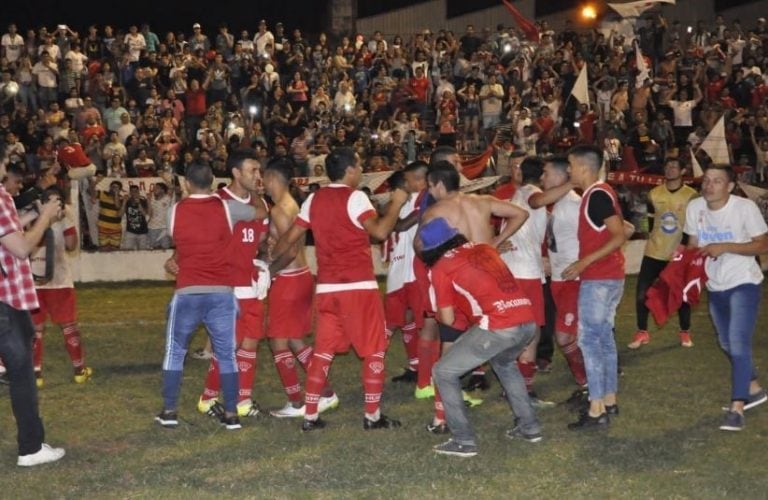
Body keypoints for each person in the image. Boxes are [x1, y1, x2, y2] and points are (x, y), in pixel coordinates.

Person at [269, 147, 409, 431]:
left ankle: (310, 416)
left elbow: (290, 238)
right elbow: (380, 232)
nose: (360, 171)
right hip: (358, 286)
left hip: (327, 288)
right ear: (349, 170)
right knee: (374, 350)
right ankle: (372, 416)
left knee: (323, 351)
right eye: (358, 166)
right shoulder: (355, 197)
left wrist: (267, 266)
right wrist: (396, 203)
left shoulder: (313, 199)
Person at [419, 161, 529, 431]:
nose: (429, 191)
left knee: (448, 352)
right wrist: (493, 244)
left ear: (439, 184)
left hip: (459, 286)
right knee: (503, 357)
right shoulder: (483, 201)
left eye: (430, 186)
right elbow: (521, 214)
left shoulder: (436, 212)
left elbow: (422, 248)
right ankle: (526, 420)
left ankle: (441, 417)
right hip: (490, 282)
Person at [420, 218, 540, 458]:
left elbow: (446, 317)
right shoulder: (483, 247)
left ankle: (463, 441)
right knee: (504, 364)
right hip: (527, 319)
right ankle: (530, 427)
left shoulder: (440, 267)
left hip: (499, 323)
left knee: (443, 371)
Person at [157, 163, 242, 430]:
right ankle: (231, 414)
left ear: (187, 183)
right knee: (227, 354)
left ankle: (169, 410)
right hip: (222, 291)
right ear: (213, 180)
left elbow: (182, 240)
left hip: (188, 290)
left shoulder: (177, 210)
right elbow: (255, 212)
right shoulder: (225, 207)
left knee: (175, 351)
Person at [684, 165, 768, 432]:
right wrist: (685, 258)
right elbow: (693, 245)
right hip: (715, 284)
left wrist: (726, 247)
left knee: (737, 341)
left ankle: (737, 407)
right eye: (706, 180)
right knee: (725, 341)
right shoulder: (695, 207)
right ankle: (753, 387)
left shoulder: (744, 208)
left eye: (717, 181)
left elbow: (762, 245)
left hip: (744, 282)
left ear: (730, 186)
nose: (709, 185)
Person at [194, 149, 270, 419]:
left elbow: (259, 240)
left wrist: (261, 265)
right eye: (253, 170)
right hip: (225, 289)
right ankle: (207, 398)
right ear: (236, 173)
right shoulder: (218, 202)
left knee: (250, 344)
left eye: (259, 170)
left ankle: (243, 402)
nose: (258, 176)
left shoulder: (261, 204)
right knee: (230, 346)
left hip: (249, 286)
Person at [262, 157, 338, 418]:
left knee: (277, 342)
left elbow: (291, 248)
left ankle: (296, 402)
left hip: (290, 278)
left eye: (263, 177)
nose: (262, 182)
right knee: (294, 339)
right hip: (301, 276)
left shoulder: (280, 209)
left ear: (271, 177)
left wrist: (268, 272)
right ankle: (326, 393)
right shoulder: (291, 205)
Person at [0, 175, 65, 466]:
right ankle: (30, 447)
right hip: (5, 300)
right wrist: (47, 216)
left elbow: (7, 230)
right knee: (22, 373)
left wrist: (36, 213)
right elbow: (21, 247)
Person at [562, 144, 627, 430]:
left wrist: (584, 261)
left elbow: (618, 235)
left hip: (599, 278)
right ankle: (609, 400)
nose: (568, 170)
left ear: (584, 168)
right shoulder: (598, 193)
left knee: (590, 341)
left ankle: (596, 407)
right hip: (610, 276)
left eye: (570, 165)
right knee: (604, 341)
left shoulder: (597, 195)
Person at [629, 158, 698, 349]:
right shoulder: (653, 193)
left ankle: (685, 332)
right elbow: (650, 220)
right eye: (667, 166)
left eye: (674, 166)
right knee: (642, 294)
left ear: (683, 170)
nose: (669, 170)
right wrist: (646, 234)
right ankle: (642, 332)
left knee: (681, 295)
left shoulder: (692, 196)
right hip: (654, 251)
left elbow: (694, 224)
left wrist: (684, 245)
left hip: (678, 254)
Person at [30, 186, 92, 388]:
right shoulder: (63, 217)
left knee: (35, 329)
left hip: (34, 279)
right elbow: (72, 245)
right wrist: (66, 221)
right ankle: (79, 370)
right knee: (68, 325)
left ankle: (36, 373)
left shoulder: (30, 214)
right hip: (59, 280)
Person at [119, 185, 149, 250]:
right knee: (127, 251)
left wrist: (139, 203)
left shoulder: (143, 201)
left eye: (136, 191)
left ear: (138, 192)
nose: (134, 193)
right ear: (130, 192)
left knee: (143, 252)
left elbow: (145, 214)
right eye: (132, 191)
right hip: (130, 231)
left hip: (143, 231)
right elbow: (120, 214)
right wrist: (124, 202)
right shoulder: (127, 201)